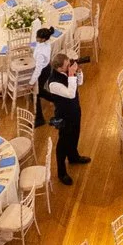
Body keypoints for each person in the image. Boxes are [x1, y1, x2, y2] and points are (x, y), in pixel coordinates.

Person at [41, 51, 89, 184]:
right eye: (67, 65)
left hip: (74, 110)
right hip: (64, 116)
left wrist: (78, 72)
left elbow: (79, 83)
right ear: (59, 68)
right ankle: (61, 172)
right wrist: (72, 74)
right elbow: (70, 94)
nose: (69, 67)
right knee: (63, 143)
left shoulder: (67, 73)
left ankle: (73, 157)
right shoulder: (53, 83)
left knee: (75, 134)